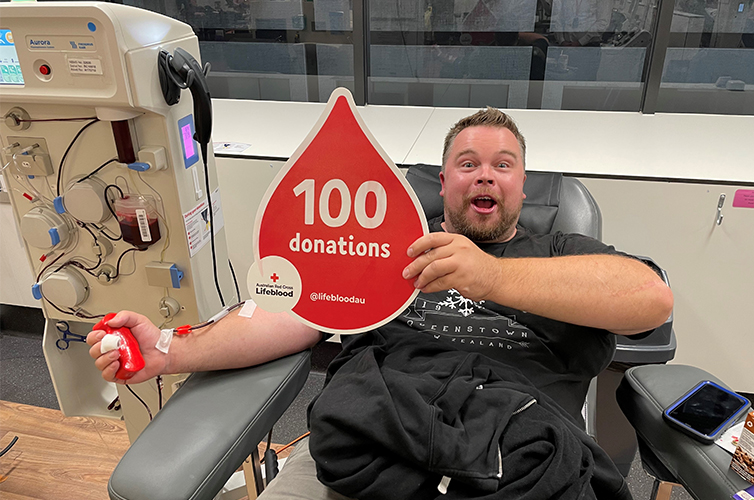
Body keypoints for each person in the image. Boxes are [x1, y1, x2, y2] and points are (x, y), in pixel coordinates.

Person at [88, 108, 673, 499]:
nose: (484, 177)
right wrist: (170, 348)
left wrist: (490, 277)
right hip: (383, 430)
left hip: (520, 435)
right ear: (442, 181)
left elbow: (649, 298)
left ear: (524, 185)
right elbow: (292, 309)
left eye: (503, 166)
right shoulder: (386, 245)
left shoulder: (561, 251)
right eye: (467, 165)